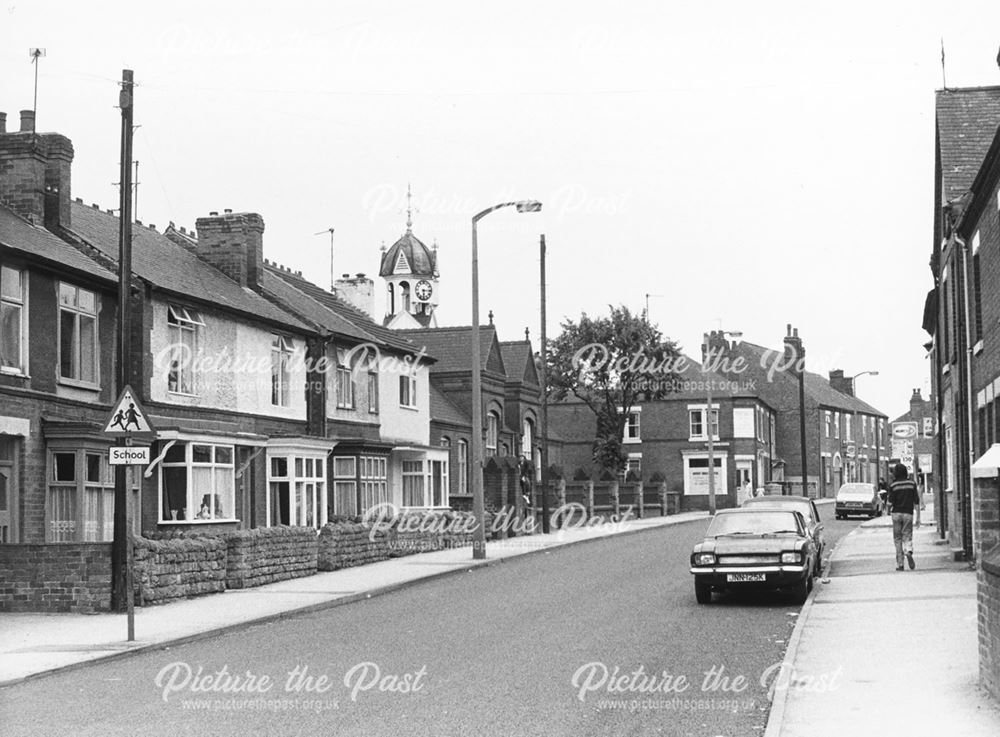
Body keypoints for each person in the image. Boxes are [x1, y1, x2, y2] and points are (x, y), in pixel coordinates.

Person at [886, 463, 920, 571]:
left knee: (897, 538)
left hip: (896, 514)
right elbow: (916, 501)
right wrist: (918, 517)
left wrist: (887, 511)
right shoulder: (912, 484)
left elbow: (889, 502)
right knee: (907, 535)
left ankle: (900, 564)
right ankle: (908, 550)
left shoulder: (893, 485)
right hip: (908, 513)